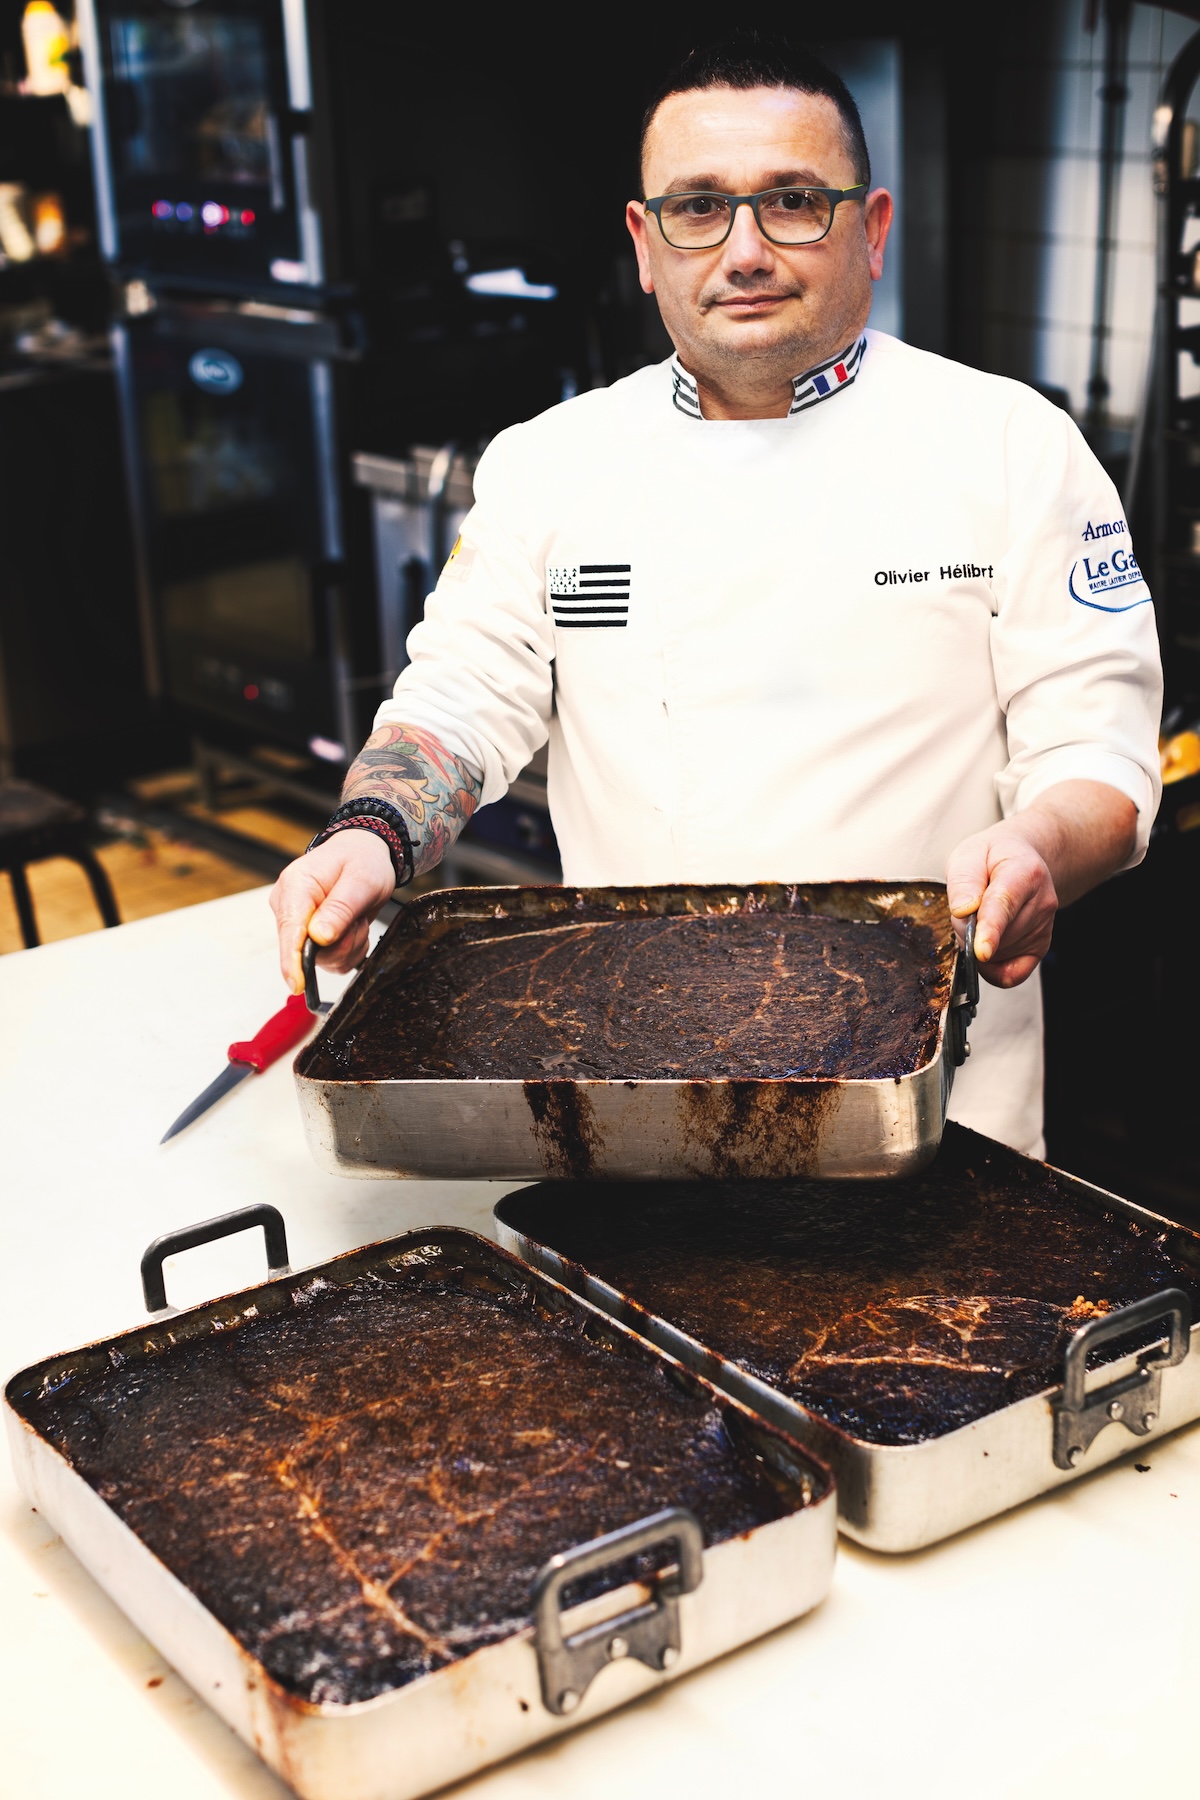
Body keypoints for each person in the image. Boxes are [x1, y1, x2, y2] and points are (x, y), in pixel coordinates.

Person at [270, 36, 1161, 1156]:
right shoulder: (552, 463)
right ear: (645, 244)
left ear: (872, 228)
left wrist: (1035, 846)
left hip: (933, 1115)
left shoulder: (1012, 448)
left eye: (792, 202)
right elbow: (460, 698)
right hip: (629, 1104)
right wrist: (369, 837)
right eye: (698, 208)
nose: (745, 252)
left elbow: (1100, 759)